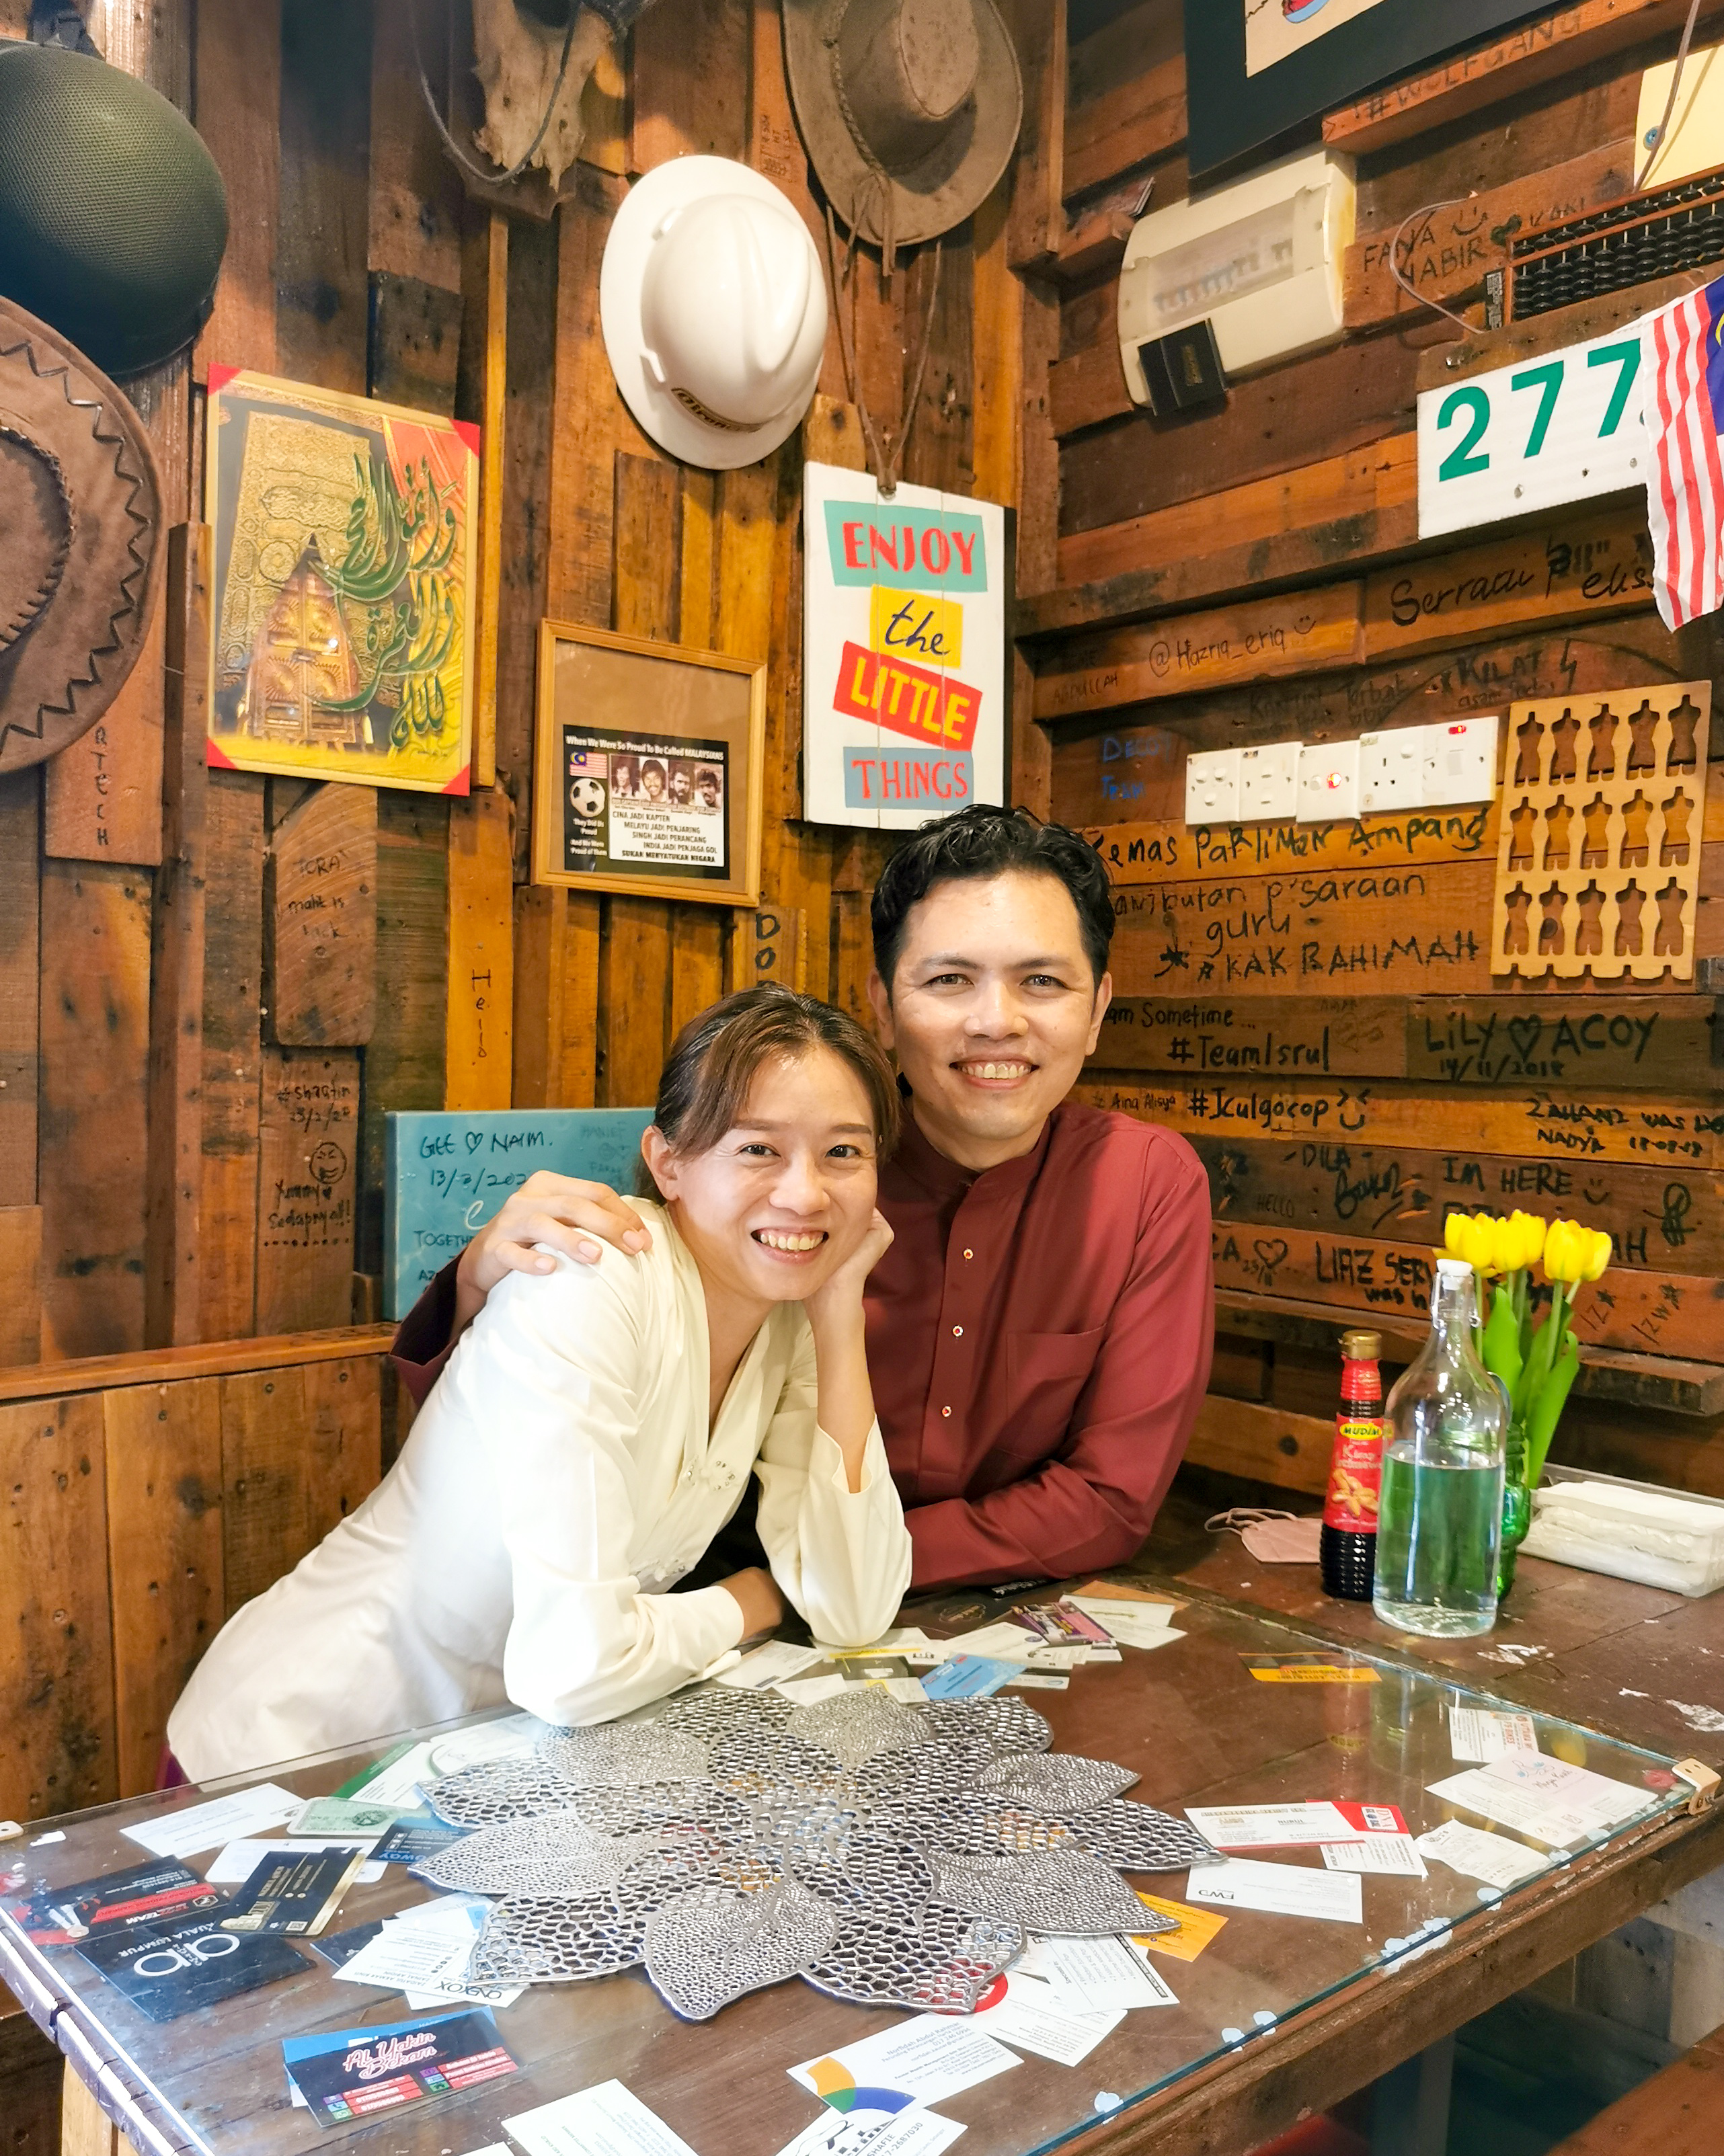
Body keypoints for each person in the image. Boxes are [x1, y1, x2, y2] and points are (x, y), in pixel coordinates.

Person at [394, 805, 1214, 1593]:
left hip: (872, 1599)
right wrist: (475, 1285)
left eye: (1041, 981)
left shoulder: (1144, 1183)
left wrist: (836, 1576)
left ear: (1096, 1010)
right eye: (949, 979)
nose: (995, 1021)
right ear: (883, 1007)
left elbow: (1108, 1498)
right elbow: (541, 1428)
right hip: (699, 1604)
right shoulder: (792, 1185)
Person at [167, 990, 912, 1782]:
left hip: (484, 1768)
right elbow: (575, 1667)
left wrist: (839, 1311)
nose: (805, 1194)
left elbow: (854, 1608)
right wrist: (754, 1597)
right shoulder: (591, 1281)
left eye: (843, 1152)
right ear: (668, 1162)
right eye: (758, 1149)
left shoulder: (786, 1317)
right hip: (296, 1752)